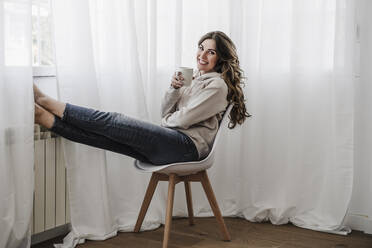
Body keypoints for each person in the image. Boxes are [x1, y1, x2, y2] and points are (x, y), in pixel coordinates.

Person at [34, 31, 250, 165]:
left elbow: (181, 120)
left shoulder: (217, 86)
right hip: (172, 141)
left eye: (210, 52)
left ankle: (45, 101)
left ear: (221, 57)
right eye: (201, 48)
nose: (202, 56)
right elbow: (166, 113)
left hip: (186, 148)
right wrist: (174, 89)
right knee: (103, 139)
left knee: (113, 120)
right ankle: (44, 117)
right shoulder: (194, 78)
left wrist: (166, 123)